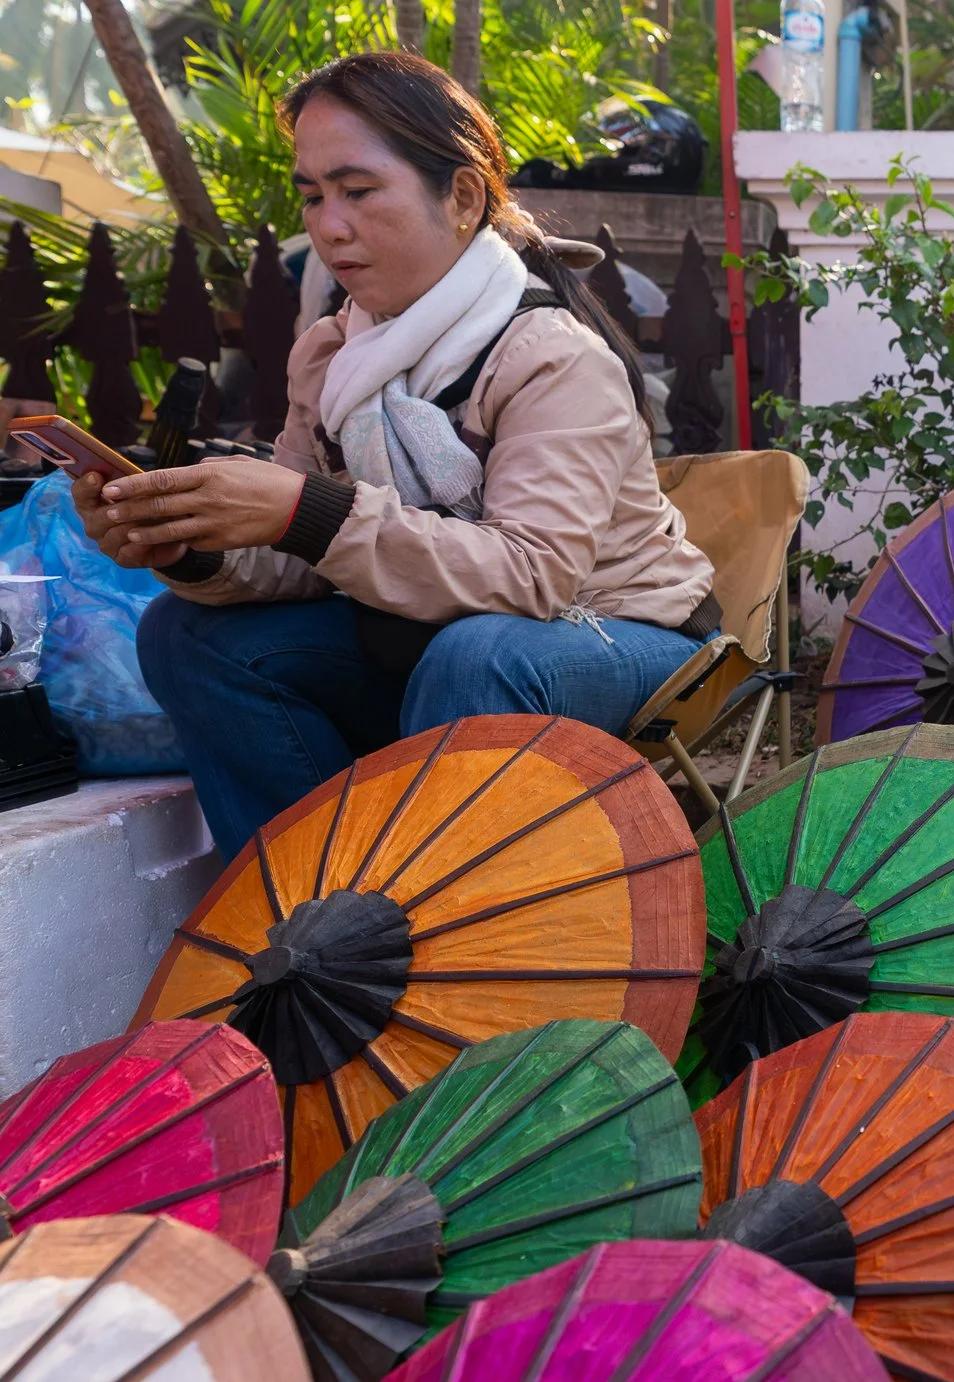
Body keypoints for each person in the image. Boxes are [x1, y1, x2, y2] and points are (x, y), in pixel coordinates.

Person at [78, 52, 713, 859]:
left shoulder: (550, 356)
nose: (329, 226)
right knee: (185, 633)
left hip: (615, 632)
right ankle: (315, 900)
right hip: (430, 636)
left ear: (463, 197)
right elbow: (306, 555)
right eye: (313, 195)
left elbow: (534, 576)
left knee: (478, 654)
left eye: (358, 190)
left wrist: (303, 511)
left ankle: (429, 911)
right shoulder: (332, 355)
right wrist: (190, 545)